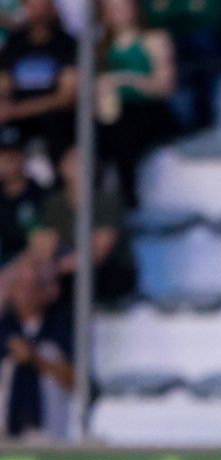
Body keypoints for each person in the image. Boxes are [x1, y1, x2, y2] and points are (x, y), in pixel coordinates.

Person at [96, 0, 181, 210]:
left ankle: (129, 200)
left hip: (150, 111)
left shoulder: (154, 39)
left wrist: (125, 79)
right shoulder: (101, 45)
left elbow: (165, 87)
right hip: (113, 112)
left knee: (124, 130)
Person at [29, 146, 138, 307]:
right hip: (65, 271)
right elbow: (43, 243)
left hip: (108, 270)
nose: (78, 164)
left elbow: (99, 252)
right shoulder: (54, 204)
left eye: (84, 160)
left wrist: (56, 269)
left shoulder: (107, 200)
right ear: (61, 165)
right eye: (73, 158)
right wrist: (45, 270)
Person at [0, 0, 77, 170]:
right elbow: (5, 84)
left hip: (54, 117)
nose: (38, 11)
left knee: (56, 124)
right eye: (33, 6)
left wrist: (19, 110)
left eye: (42, 5)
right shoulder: (15, 42)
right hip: (17, 117)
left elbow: (66, 96)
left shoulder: (66, 43)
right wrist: (6, 106)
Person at [0, 259, 71, 439]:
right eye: (21, 286)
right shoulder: (4, 329)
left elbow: (77, 382)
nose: (27, 293)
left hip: (49, 434)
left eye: (34, 286)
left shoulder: (61, 328)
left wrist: (35, 359)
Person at [141, 0, 221, 132]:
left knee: (204, 42)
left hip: (207, 51)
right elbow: (155, 17)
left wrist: (172, 12)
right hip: (171, 48)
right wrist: (190, 10)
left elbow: (213, 15)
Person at [0, 125, 44, 264]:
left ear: (24, 155)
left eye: (14, 153)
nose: (10, 159)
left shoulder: (42, 195)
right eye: (4, 154)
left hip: (32, 269)